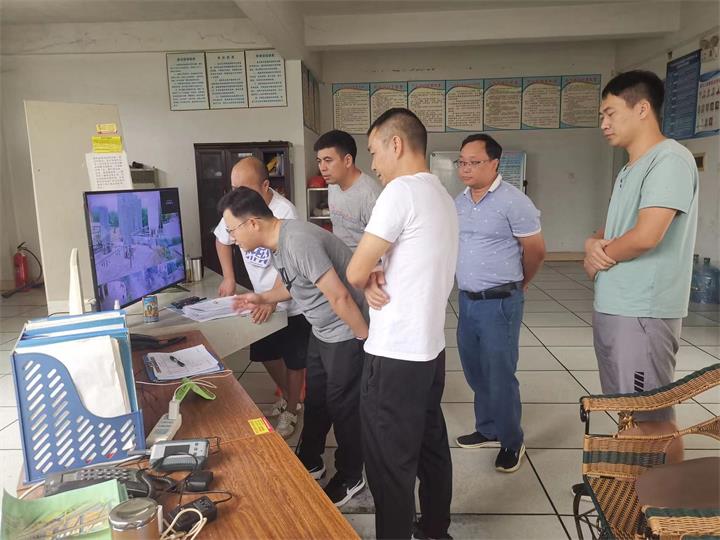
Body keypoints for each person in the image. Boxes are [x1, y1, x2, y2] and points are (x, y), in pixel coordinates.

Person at [346, 108, 457, 540]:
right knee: (431, 448)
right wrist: (376, 270)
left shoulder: (400, 192)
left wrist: (367, 274)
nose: (373, 163)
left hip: (393, 355)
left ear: (396, 144)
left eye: (374, 151)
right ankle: (435, 530)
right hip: (429, 351)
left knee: (389, 465)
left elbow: (356, 270)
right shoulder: (441, 195)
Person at [220, 187, 368, 507]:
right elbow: (294, 285)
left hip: (344, 332)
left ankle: (351, 475)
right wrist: (261, 297)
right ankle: (311, 461)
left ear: (253, 223)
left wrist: (363, 340)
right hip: (322, 330)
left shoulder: (298, 240)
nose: (231, 238)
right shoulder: (277, 244)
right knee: (316, 400)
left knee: (343, 407)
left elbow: (340, 295)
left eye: (233, 230)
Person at [585, 70, 699, 464]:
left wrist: (601, 256)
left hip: (643, 311)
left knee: (652, 418)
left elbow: (647, 235)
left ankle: (668, 497)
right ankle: (638, 490)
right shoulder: (630, 167)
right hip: (618, 306)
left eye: (610, 113)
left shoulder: (669, 160)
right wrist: (592, 244)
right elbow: (612, 230)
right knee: (629, 410)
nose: (604, 123)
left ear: (642, 109)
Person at [452, 134, 545, 473]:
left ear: (494, 163)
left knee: (499, 373)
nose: (466, 168)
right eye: (462, 162)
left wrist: (521, 282)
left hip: (500, 302)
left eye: (474, 162)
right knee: (475, 369)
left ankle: (511, 440)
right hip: (467, 301)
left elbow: (536, 251)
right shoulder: (459, 201)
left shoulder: (514, 201)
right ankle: (488, 428)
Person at [213, 157, 307, 438]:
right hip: (260, 296)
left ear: (265, 186)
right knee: (266, 352)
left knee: (294, 359)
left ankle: (292, 408)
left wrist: (273, 299)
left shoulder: (284, 211)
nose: (237, 195)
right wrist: (229, 277)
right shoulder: (236, 208)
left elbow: (290, 261)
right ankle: (290, 397)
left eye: (244, 189)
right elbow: (222, 239)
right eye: (233, 188)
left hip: (290, 300)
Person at [314, 129, 382, 250]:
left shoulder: (370, 195)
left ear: (347, 161)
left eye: (328, 160)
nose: (322, 168)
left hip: (362, 260)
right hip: (338, 256)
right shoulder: (332, 185)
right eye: (319, 161)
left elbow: (380, 247)